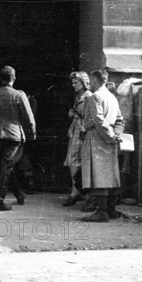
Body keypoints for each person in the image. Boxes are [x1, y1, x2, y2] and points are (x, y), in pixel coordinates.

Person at [0, 66, 36, 211]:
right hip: (14, 136)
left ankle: (19, 195)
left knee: (6, 166)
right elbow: (29, 117)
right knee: (7, 167)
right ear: (14, 78)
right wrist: (32, 133)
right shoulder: (19, 95)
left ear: (0, 79)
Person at [80, 70, 125, 222]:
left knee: (98, 175)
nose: (89, 84)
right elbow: (119, 119)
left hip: (98, 139)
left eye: (90, 80)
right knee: (110, 175)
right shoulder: (112, 97)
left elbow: (98, 120)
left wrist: (110, 136)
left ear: (94, 80)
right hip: (110, 140)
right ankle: (111, 210)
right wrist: (116, 135)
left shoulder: (95, 97)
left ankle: (102, 212)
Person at [62, 71, 93, 207]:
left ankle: (77, 191)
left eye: (76, 83)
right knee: (73, 160)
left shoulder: (88, 97)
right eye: (72, 83)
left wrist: (76, 114)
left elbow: (90, 115)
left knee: (77, 160)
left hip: (82, 131)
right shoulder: (78, 96)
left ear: (84, 83)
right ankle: (77, 190)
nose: (73, 85)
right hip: (75, 130)